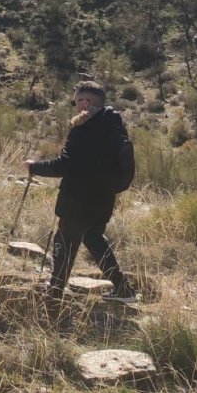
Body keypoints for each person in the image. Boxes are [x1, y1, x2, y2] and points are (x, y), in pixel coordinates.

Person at [26, 81, 137, 304]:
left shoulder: (83, 129)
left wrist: (34, 167)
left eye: (78, 101)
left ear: (87, 102)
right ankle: (123, 289)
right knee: (94, 238)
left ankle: (55, 291)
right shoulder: (114, 126)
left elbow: (64, 165)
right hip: (103, 198)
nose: (77, 106)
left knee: (65, 241)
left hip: (78, 199)